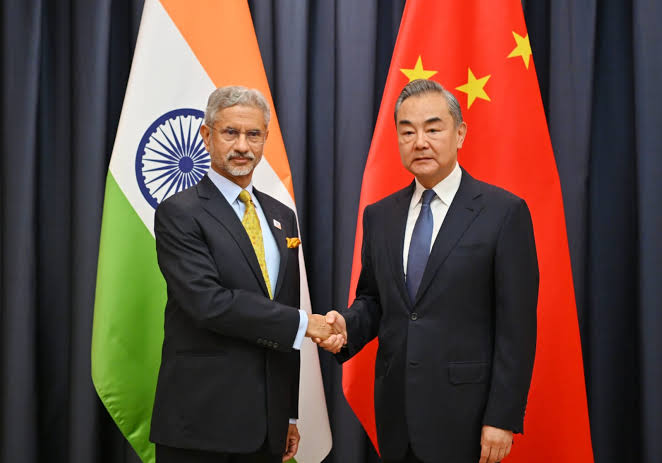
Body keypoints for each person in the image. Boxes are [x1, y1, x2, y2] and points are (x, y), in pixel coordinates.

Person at [318, 79, 539, 463]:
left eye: (433, 129)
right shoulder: (380, 216)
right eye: (407, 132)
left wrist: (502, 417)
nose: (419, 142)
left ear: (460, 133)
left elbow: (516, 327)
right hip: (396, 414)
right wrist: (347, 327)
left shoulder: (504, 213)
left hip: (467, 417)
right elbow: (374, 299)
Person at [149, 86, 337, 462]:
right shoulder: (179, 213)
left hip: (268, 428)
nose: (242, 146)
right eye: (230, 133)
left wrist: (288, 413)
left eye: (253, 134)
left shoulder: (282, 216)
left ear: (265, 138)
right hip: (202, 426)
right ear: (207, 136)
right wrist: (306, 324)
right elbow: (209, 304)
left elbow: (284, 308)